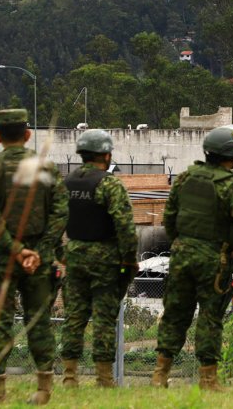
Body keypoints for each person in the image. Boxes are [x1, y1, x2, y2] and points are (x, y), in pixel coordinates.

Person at [0, 108, 68, 405]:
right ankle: (44, 389)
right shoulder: (47, 168)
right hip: (38, 258)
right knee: (38, 320)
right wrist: (39, 251)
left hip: (0, 258)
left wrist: (14, 248)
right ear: (27, 135)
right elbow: (60, 211)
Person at [152, 127, 233, 391]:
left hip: (181, 256)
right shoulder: (228, 185)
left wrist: (181, 243)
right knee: (210, 317)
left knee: (175, 314)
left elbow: (169, 219)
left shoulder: (185, 178)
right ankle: (208, 380)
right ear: (232, 155)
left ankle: (159, 375)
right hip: (214, 259)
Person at [59, 129, 138, 389]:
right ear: (106, 154)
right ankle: (104, 379)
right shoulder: (109, 184)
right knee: (104, 319)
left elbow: (52, 226)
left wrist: (63, 255)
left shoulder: (67, 183)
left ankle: (69, 377)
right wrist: (129, 261)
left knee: (74, 318)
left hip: (75, 257)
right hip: (105, 261)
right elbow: (125, 226)